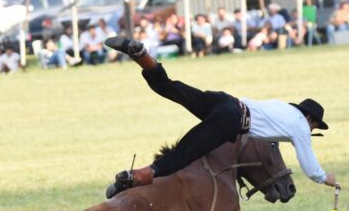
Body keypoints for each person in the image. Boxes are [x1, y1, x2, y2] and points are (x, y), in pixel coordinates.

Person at [102, 37, 336, 199]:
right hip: (231, 119)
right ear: (310, 119)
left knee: (171, 88)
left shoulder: (283, 108)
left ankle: (141, 55)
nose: (311, 131)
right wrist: (325, 178)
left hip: (225, 101)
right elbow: (309, 164)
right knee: (183, 154)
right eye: (314, 127)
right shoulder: (301, 126)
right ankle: (133, 177)